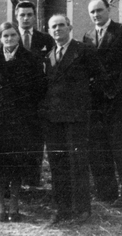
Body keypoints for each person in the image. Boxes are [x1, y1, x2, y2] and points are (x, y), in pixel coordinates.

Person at [0, 22, 46, 222]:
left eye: (13, 35)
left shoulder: (30, 58)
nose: (9, 39)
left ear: (18, 37)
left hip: (21, 120)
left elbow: (39, 87)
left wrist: (27, 108)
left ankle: (14, 205)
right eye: (5, 35)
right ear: (0, 37)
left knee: (17, 163)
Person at [41, 14, 106, 224]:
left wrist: (84, 103)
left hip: (77, 116)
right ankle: (62, 208)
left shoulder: (83, 51)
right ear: (49, 31)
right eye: (54, 27)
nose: (58, 29)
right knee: (57, 163)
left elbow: (99, 79)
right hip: (53, 118)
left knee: (77, 162)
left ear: (70, 27)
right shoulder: (49, 55)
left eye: (61, 25)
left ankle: (81, 209)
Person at [82, 0, 122, 205]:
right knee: (98, 147)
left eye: (99, 10)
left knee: (120, 146)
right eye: (92, 12)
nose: (96, 15)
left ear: (108, 9)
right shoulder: (88, 36)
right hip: (95, 100)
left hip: (117, 99)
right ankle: (106, 191)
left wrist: (121, 88)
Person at [13, 0, 54, 189]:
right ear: (16, 16)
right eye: (22, 15)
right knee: (17, 140)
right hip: (16, 99)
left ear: (34, 16)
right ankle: (17, 181)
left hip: (38, 99)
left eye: (29, 14)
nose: (26, 18)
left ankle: (32, 182)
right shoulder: (10, 37)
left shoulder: (46, 39)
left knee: (36, 141)